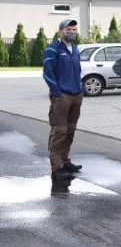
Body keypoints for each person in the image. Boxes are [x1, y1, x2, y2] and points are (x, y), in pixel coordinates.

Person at [43, 19, 85, 194]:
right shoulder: (53, 49)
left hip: (76, 94)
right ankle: (57, 167)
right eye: (69, 29)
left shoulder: (75, 49)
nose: (72, 32)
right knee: (59, 131)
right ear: (60, 31)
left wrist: (80, 89)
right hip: (63, 96)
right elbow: (47, 72)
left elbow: (77, 71)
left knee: (70, 130)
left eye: (74, 29)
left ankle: (65, 160)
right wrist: (57, 92)